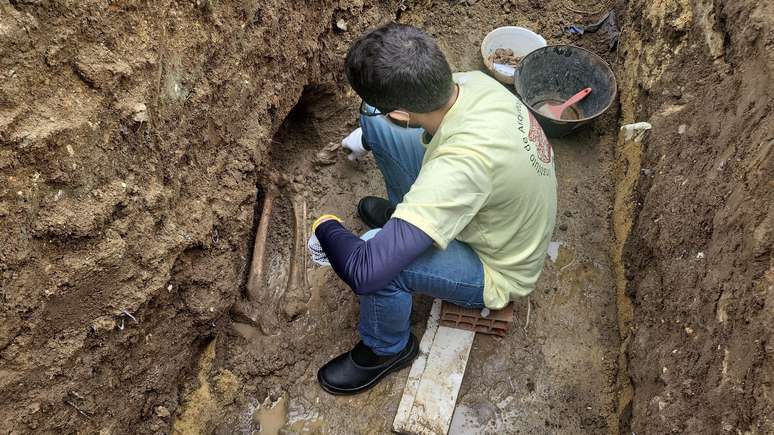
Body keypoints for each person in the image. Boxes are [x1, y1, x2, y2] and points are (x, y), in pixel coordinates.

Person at [310, 23, 557, 395]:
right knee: (374, 119)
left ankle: (386, 349)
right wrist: (369, 134)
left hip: (498, 266)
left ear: (402, 112)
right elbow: (393, 120)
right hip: (494, 209)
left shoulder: (461, 167)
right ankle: (406, 218)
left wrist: (324, 224)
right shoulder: (472, 82)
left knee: (380, 256)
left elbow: (366, 271)